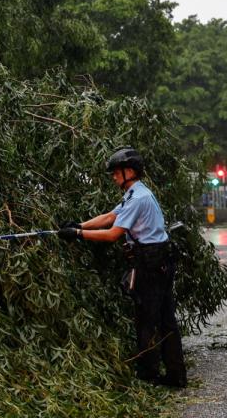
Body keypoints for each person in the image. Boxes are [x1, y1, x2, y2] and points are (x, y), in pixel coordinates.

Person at [57, 147, 187, 388]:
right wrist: (79, 224)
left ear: (130, 171)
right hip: (159, 260)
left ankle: (150, 376)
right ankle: (175, 374)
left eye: (116, 172)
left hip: (150, 262)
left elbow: (113, 233)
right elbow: (110, 216)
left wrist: (77, 234)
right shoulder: (135, 194)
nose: (113, 177)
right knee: (165, 318)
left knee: (148, 320)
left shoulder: (138, 198)